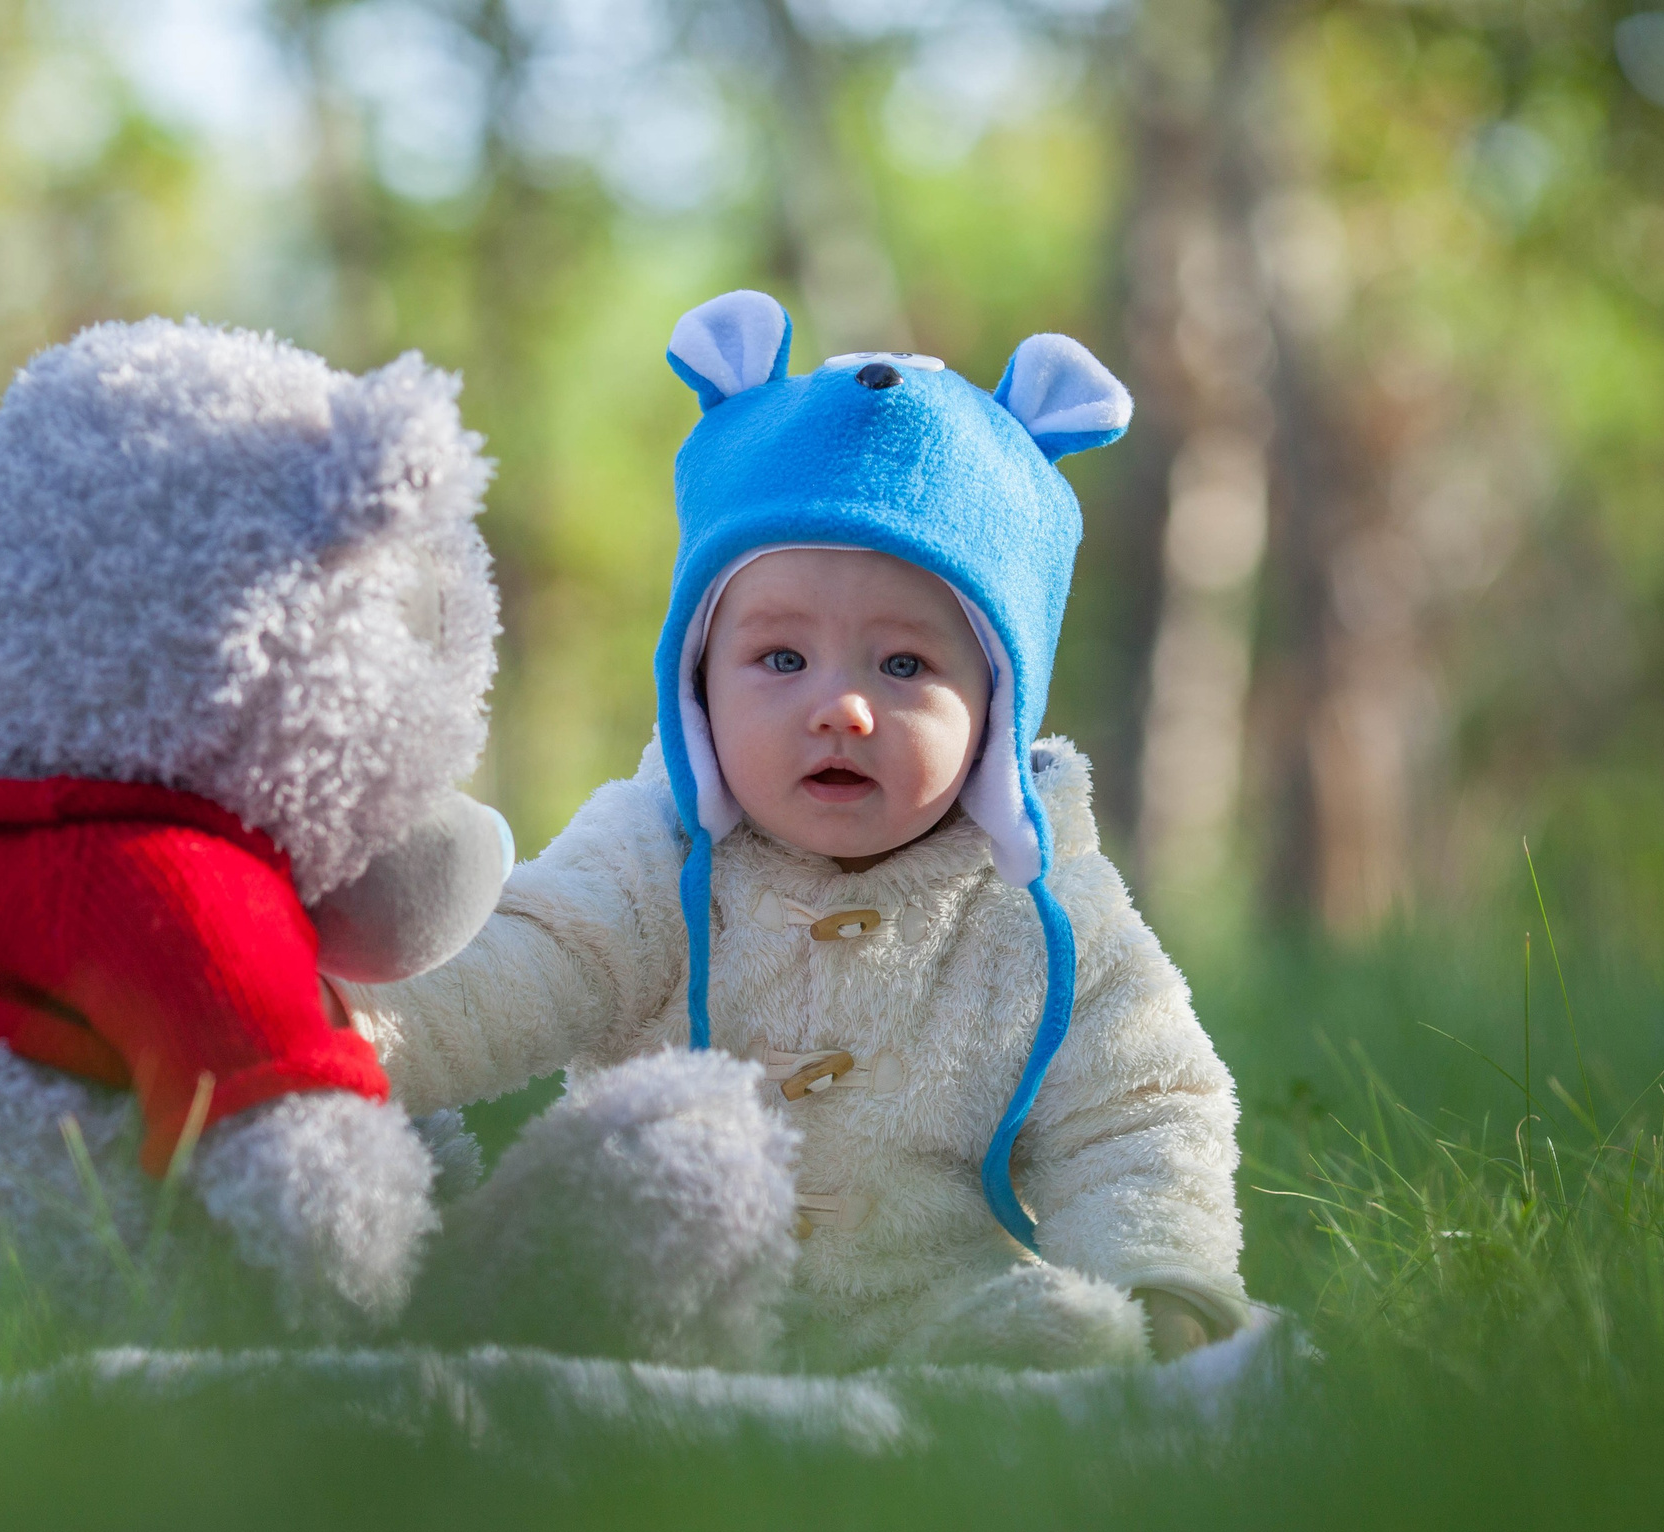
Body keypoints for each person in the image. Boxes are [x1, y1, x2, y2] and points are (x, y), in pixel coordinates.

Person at [337, 292, 1252, 1370]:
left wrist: (1160, 1286)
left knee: (1054, 1333)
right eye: (780, 659)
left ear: (999, 709)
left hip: (925, 1310)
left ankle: (1021, 1380)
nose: (841, 708)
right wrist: (339, 1031)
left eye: (904, 665)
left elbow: (1136, 1111)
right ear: (698, 684)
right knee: (639, 1184)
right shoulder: (654, 853)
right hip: (669, 1299)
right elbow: (531, 955)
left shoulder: (1042, 914)